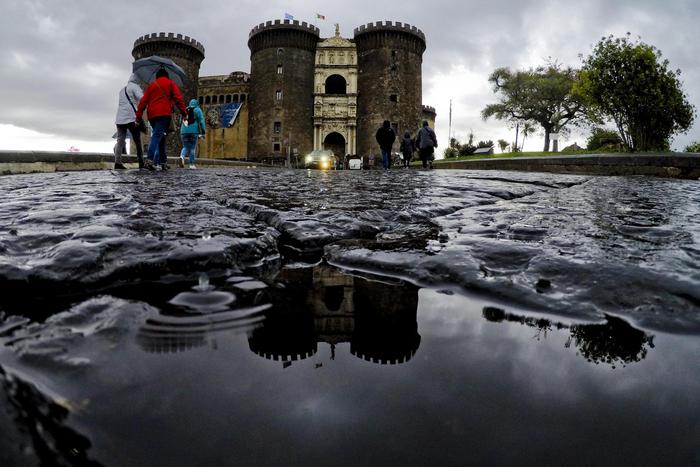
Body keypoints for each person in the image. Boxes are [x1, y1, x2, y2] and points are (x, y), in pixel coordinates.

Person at [135, 68, 187, 171]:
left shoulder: (152, 86)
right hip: (164, 113)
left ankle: (163, 162)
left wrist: (138, 116)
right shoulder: (170, 84)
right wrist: (184, 112)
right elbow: (178, 99)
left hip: (152, 115)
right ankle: (149, 160)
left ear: (157, 76)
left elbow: (143, 102)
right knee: (157, 135)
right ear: (166, 75)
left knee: (161, 137)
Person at [113, 74, 145, 169]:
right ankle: (141, 162)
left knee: (120, 140)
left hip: (119, 118)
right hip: (131, 117)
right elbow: (142, 98)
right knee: (137, 140)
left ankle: (117, 163)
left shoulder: (122, 90)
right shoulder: (135, 87)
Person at [179, 99, 206, 169]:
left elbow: (180, 121)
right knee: (192, 148)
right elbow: (201, 121)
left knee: (185, 147)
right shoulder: (198, 110)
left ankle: (182, 157)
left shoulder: (185, 109)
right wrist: (203, 131)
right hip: (194, 131)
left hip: (184, 131)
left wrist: (182, 128)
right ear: (196, 104)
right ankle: (191, 164)